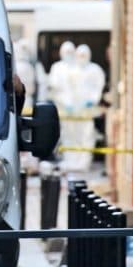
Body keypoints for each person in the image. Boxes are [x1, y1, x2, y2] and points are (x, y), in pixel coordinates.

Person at [55, 44, 106, 172]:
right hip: (71, 113)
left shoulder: (94, 70)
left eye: (83, 55)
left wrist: (92, 100)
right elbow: (64, 90)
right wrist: (67, 104)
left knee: (86, 136)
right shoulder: (72, 71)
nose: (81, 58)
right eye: (79, 55)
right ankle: (71, 161)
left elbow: (98, 87)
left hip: (86, 112)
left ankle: (84, 162)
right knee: (69, 137)